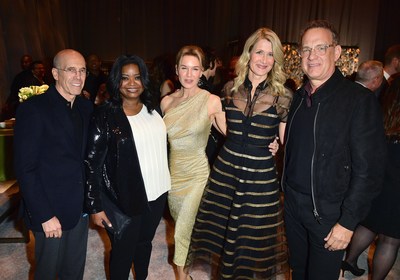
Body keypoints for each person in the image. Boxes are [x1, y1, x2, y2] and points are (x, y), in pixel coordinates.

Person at [282, 19, 386, 280]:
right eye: (306, 49)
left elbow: (369, 171)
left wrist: (348, 222)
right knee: (298, 271)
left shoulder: (358, 100)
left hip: (329, 214)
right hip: (293, 205)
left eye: (320, 48)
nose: (312, 56)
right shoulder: (298, 96)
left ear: (337, 52)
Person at [186, 27, 292, 279]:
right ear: (249, 54)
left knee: (251, 240)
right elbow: (222, 128)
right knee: (224, 234)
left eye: (270, 54)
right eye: (259, 52)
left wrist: (276, 144)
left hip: (260, 177)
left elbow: (288, 142)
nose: (264, 60)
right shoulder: (229, 89)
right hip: (227, 172)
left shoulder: (284, 96)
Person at [85, 54, 171, 280]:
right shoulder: (105, 114)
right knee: (123, 251)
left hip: (158, 191)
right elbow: (92, 163)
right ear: (116, 81)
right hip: (124, 197)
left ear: (145, 79)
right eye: (125, 78)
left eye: (137, 77)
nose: (132, 83)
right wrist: (95, 207)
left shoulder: (153, 109)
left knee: (144, 244)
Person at [13, 49, 93, 280]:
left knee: (73, 271)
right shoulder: (34, 109)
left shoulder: (85, 108)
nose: (78, 76)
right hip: (49, 210)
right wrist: (44, 215)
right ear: (55, 74)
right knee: (47, 272)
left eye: (82, 70)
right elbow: (25, 168)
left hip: (79, 208)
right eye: (71, 70)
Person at [160, 45, 226, 280]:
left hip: (198, 174)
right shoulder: (166, 102)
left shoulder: (211, 101)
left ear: (202, 72)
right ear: (176, 70)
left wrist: (268, 143)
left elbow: (233, 135)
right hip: (174, 177)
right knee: (183, 227)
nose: (189, 74)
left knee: (180, 233)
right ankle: (185, 272)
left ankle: (181, 277)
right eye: (184, 68)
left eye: (195, 69)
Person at [342, 74, 400, 279]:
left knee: (369, 223)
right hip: (396, 189)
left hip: (378, 182)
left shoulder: (382, 113)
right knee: (391, 240)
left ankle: (348, 261)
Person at [2, 55, 33, 120]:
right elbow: (13, 92)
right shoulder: (19, 77)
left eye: (27, 62)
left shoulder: (35, 75)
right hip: (21, 104)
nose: (25, 64)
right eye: (23, 62)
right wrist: (7, 103)